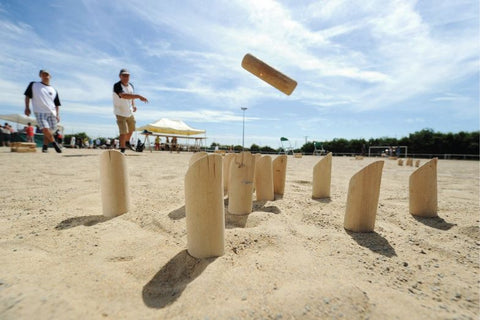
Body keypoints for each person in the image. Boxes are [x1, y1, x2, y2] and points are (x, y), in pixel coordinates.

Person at [24, 70, 62, 153]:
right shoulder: (34, 85)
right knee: (45, 129)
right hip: (39, 111)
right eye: (43, 74)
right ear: (40, 76)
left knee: (50, 131)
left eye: (47, 74)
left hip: (52, 113)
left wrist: (57, 114)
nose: (45, 76)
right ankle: (55, 144)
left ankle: (45, 146)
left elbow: (57, 104)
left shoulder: (54, 90)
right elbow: (27, 96)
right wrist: (27, 107)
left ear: (50, 76)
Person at [112, 69, 148, 153]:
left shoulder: (131, 85)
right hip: (120, 112)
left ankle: (127, 142)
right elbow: (123, 95)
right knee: (123, 132)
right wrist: (139, 96)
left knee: (132, 128)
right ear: (120, 76)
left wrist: (134, 105)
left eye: (127, 75)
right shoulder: (117, 85)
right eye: (124, 75)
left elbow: (131, 97)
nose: (126, 77)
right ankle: (122, 149)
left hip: (129, 112)